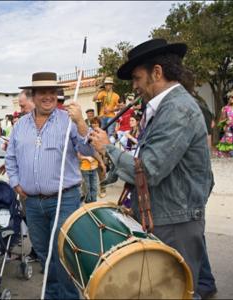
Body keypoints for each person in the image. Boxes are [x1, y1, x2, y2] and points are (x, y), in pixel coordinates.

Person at [90, 38, 214, 298]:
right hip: (167, 216)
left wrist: (108, 149)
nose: (134, 87)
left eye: (137, 78)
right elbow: (145, 159)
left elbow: (149, 169)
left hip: (175, 222)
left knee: (173, 292)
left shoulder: (178, 109)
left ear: (157, 72)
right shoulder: (164, 108)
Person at [6, 71, 94, 299]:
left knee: (64, 255)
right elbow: (11, 158)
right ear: (32, 96)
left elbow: (90, 150)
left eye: (52, 92)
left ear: (57, 94)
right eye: (42, 92)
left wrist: (82, 124)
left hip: (65, 200)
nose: (47, 96)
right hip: (33, 203)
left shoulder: (69, 121)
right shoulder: (20, 125)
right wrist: (15, 183)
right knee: (45, 254)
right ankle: (52, 294)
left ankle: (68, 296)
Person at [215, 90, 233, 157]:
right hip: (229, 130)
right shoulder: (225, 108)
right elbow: (221, 120)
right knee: (227, 149)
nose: (230, 99)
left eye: (232, 97)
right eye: (229, 97)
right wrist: (225, 122)